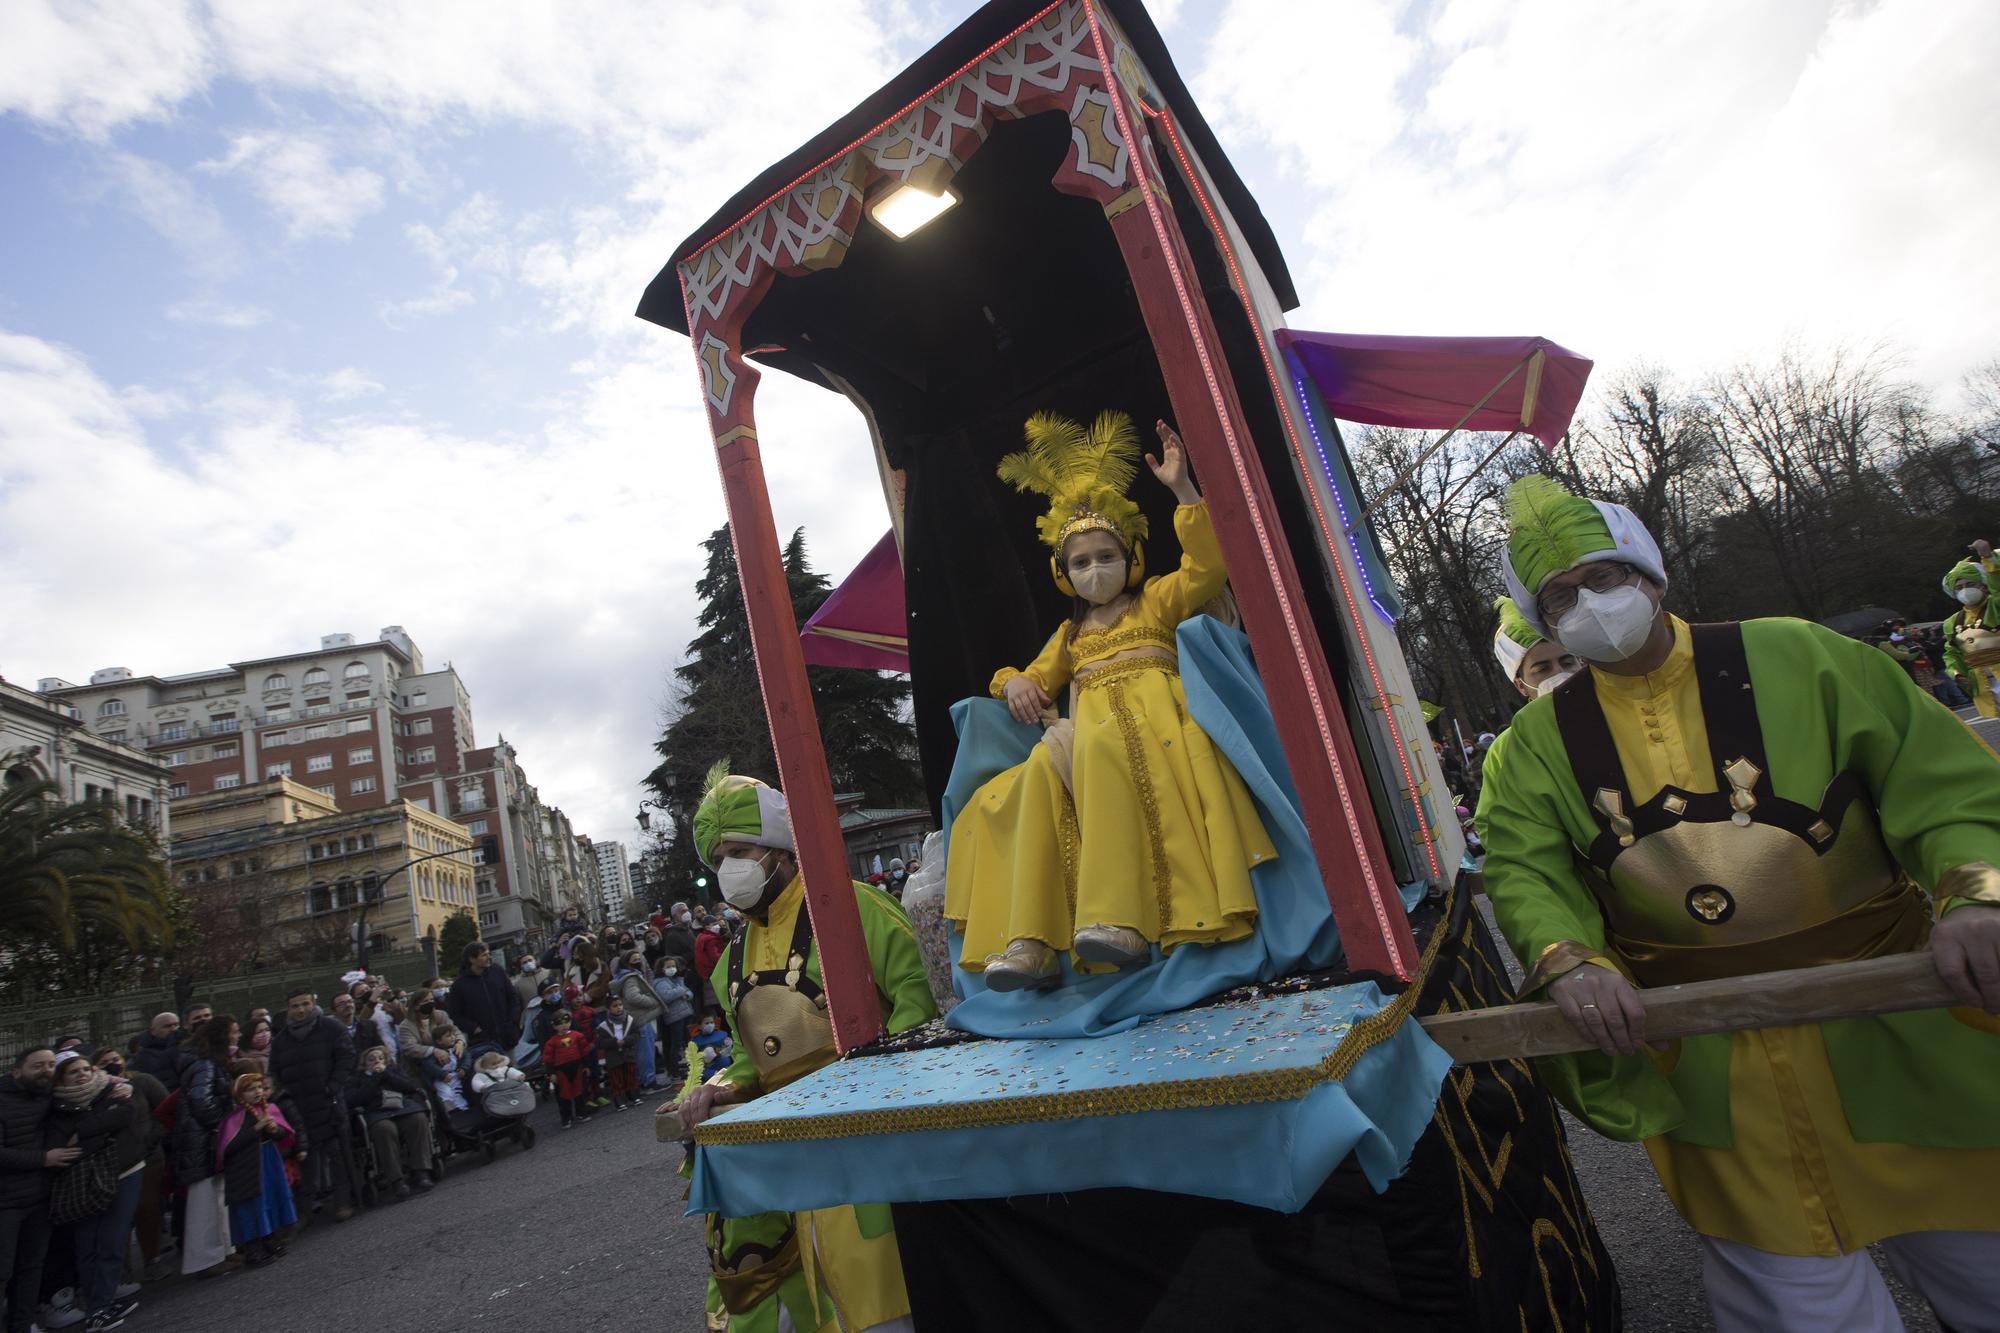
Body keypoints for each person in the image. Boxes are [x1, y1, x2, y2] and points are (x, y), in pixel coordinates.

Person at [1477, 475, 2000, 1332]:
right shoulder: (1528, 749)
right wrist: (1566, 957)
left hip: (1903, 1026)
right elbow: (1528, 871)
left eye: (1603, 576)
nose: (1588, 604)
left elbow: (1940, 785)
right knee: (1800, 1304)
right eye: (1562, 595)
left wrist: (1978, 894)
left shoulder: (1807, 656)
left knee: (1982, 1251)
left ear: (1650, 573)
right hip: (1716, 1063)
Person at [945, 413, 1275, 989]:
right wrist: (1013, 682)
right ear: (1062, 573)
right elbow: (1030, 677)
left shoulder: (1155, 602)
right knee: (1039, 772)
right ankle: (1030, 940)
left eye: (1106, 555)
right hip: (1094, 743)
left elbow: (1208, 567)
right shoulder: (1071, 636)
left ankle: (1117, 919)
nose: (1094, 569)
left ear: (1131, 557)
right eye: (1080, 561)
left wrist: (1182, 489)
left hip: (1162, 731)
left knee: (1088, 747)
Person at [666, 767, 937, 1333]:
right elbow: (752, 1058)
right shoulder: (729, 960)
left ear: (778, 849)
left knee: (889, 1306)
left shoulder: (851, 906)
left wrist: (876, 1083)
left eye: (740, 850)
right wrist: (717, 1089)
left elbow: (919, 998)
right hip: (789, 1170)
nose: (729, 870)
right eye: (718, 860)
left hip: (870, 1147)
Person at [47, 1053, 143, 1333]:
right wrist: (100, 1129)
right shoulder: (57, 1105)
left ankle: (102, 1302)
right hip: (85, 1180)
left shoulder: (111, 1088)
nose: (82, 1075)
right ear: (61, 1078)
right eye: (73, 1072)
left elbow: (126, 1115)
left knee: (112, 1240)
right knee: (90, 1243)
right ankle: (97, 1307)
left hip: (125, 1170)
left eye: (86, 1069)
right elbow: (65, 1145)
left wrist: (86, 1131)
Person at [267, 989, 356, 1225]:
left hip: (329, 1103)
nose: (300, 1010)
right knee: (305, 1160)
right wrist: (283, 1098)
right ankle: (304, 1210)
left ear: (313, 1004)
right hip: (298, 1109)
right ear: (288, 1008)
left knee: (337, 1155)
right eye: (295, 1006)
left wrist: (332, 1086)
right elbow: (273, 1072)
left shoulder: (331, 1028)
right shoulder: (281, 1040)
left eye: (305, 1004)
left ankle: (343, 1201)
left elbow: (347, 1058)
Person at [3, 1047, 74, 1333]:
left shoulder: (48, 1095)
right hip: (5, 1203)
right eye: (37, 1066)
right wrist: (44, 1159)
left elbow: (86, 1088)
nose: (45, 1071)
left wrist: (118, 1086)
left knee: (32, 1267)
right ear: (17, 1071)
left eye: (49, 1065)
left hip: (39, 1198)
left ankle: (22, 1325)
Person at [172, 1015, 237, 1275]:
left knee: (217, 1197)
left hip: (203, 1138)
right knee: (204, 1202)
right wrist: (221, 1125)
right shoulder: (204, 1064)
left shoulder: (207, 1062)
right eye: (233, 1032)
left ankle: (222, 1250)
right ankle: (204, 1259)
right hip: (201, 1139)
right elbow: (202, 1100)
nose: (237, 1036)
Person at [216, 1074, 295, 1267]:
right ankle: (253, 1247)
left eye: (259, 1087)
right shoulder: (235, 1118)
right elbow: (228, 1147)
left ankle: (270, 1238)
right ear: (240, 1095)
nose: (258, 1091)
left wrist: (275, 1130)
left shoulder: (270, 1109)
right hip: (247, 1166)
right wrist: (255, 1129)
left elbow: (284, 1133)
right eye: (251, 1089)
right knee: (252, 1203)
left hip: (268, 1159)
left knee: (270, 1198)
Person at [346, 1048, 434, 1199]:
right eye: (371, 1059)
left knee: (418, 1119)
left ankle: (421, 1171)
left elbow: (410, 1087)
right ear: (364, 1063)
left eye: (380, 1058)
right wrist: (375, 1077)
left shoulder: (393, 1070)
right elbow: (357, 1099)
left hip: (402, 1108)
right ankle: (397, 1180)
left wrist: (386, 1074)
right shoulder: (357, 1079)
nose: (376, 1061)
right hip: (377, 1112)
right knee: (384, 1130)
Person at [1942, 541, 2000, 716]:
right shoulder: (1952, 622)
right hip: (1985, 684)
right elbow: (1951, 653)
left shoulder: (1995, 605)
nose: (1964, 590)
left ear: (1983, 584)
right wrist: (1956, 673)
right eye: (1959, 588)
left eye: (1969, 585)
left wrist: (1987, 557)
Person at [449, 941, 524, 1050]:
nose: (489, 957)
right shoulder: (459, 986)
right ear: (472, 959)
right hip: (483, 1042)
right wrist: (474, 1028)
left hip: (507, 1035)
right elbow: (455, 1014)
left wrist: (513, 1020)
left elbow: (513, 997)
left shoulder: (497, 972)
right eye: (484, 955)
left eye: (489, 954)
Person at [540, 1010, 593, 1128]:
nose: (563, 1025)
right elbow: (548, 1059)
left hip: (577, 1067)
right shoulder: (551, 1042)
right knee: (563, 1095)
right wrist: (551, 1073)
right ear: (554, 1026)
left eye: (566, 1022)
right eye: (559, 1023)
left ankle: (581, 1113)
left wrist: (586, 1065)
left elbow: (584, 1051)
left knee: (580, 1092)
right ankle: (566, 1117)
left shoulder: (578, 1036)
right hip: (561, 1071)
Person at [594, 995, 641, 1109]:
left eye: (620, 1005)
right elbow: (600, 1043)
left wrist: (626, 1041)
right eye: (614, 1006)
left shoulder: (629, 1020)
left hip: (627, 1053)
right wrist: (614, 1042)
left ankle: (634, 1096)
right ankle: (620, 1100)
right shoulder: (603, 1026)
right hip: (613, 1057)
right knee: (617, 1079)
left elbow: (636, 1035)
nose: (618, 1008)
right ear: (608, 1009)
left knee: (630, 1076)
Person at [652, 961, 695, 1081]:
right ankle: (674, 1070)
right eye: (668, 966)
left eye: (674, 966)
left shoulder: (677, 980)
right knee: (675, 1043)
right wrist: (680, 991)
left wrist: (686, 995)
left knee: (688, 1041)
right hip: (674, 1017)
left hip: (685, 1013)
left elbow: (689, 992)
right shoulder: (660, 982)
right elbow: (666, 996)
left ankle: (693, 1065)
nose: (672, 969)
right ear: (662, 968)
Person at [126, 1015, 179, 1085]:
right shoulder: (145, 1057)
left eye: (176, 1024)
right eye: (167, 1026)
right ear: (153, 1031)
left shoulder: (186, 1045)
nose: (174, 1029)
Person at [691, 1015, 731, 1080]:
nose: (710, 1025)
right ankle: (717, 1074)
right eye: (707, 1023)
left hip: (725, 1064)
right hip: (709, 1068)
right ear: (699, 1026)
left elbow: (729, 1050)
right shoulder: (695, 1042)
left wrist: (723, 1051)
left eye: (712, 1022)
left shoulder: (721, 1035)